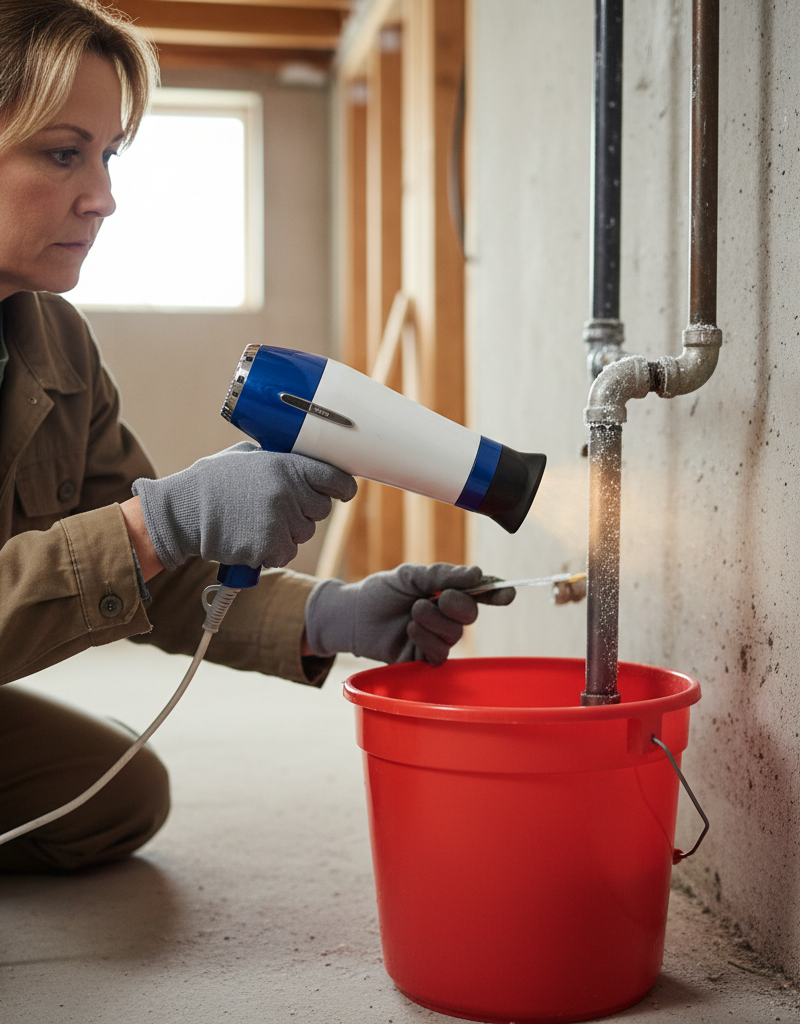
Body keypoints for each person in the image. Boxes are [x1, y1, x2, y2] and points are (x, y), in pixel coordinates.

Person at [0, 0, 514, 873]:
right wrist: (156, 519)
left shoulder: (56, 342)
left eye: (107, 154)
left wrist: (329, 615)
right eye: (62, 153)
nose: (104, 198)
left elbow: (147, 576)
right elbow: (143, 535)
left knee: (115, 797)